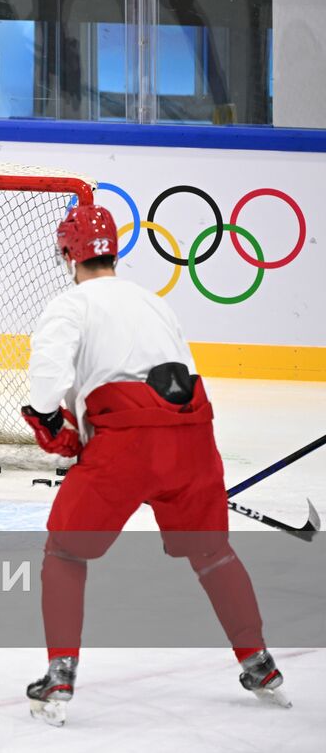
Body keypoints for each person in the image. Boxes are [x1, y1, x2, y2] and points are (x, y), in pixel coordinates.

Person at [21, 204, 287, 727]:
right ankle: (259, 664)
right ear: (113, 250)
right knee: (211, 551)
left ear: (68, 254)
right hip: (192, 436)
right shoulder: (154, 301)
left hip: (126, 446)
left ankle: (60, 673)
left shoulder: (69, 305)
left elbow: (46, 385)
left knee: (66, 551)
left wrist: (48, 421)